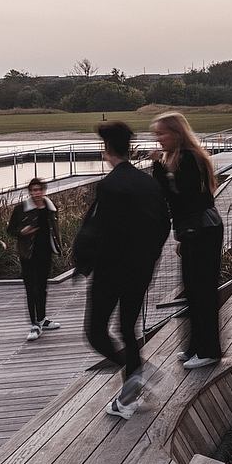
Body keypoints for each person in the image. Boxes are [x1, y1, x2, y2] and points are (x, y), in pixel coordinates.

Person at [74, 121, 170, 419]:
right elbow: (164, 224)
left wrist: (84, 263)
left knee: (96, 332)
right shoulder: (148, 183)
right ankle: (129, 394)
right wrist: (150, 257)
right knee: (127, 328)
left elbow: (99, 230)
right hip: (140, 269)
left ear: (106, 150)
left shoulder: (109, 186)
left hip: (110, 271)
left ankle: (134, 371)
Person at [150, 112, 223, 370]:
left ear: (177, 133)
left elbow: (182, 201)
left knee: (202, 292)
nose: (158, 139)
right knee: (193, 292)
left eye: (162, 133)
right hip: (196, 229)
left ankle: (209, 350)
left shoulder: (189, 159)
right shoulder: (181, 158)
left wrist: (158, 172)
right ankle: (196, 346)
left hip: (202, 229)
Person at [6, 178, 62, 342]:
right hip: (28, 254)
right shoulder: (21, 209)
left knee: (43, 287)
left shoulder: (50, 208)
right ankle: (34, 324)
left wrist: (58, 246)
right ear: (30, 192)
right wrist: (22, 231)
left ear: (44, 190)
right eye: (33, 190)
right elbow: (10, 229)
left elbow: (54, 230)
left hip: (45, 252)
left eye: (39, 190)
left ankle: (43, 319)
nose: (36, 193)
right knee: (31, 289)